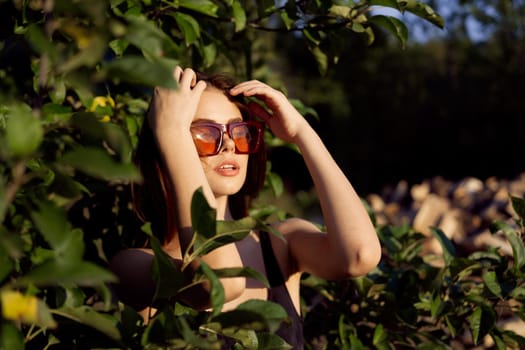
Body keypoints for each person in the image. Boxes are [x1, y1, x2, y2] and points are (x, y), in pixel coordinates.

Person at [109, 66, 382, 349]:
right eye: (205, 132)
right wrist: (171, 134)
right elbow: (219, 284)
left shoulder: (279, 244)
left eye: (239, 131)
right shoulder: (132, 265)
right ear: (169, 144)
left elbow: (360, 255)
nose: (229, 143)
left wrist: (302, 133)